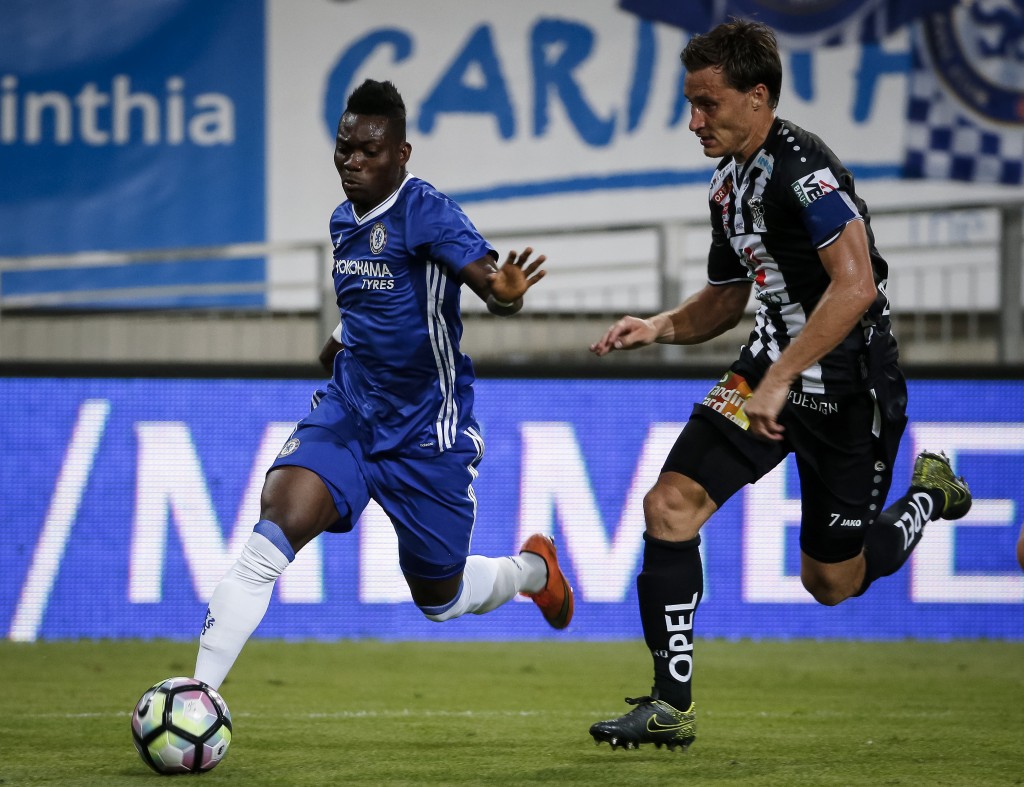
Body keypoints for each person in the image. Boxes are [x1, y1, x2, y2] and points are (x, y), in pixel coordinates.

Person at [586, 19, 971, 751]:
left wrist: (784, 377)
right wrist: (661, 325)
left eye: (707, 103)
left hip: (850, 385)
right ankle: (671, 705)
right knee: (669, 506)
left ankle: (929, 492)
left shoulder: (804, 170)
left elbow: (855, 286)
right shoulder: (728, 183)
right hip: (767, 369)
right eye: (690, 104)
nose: (693, 120)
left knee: (830, 582)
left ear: (757, 97)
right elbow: (727, 298)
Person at [193, 78, 573, 692]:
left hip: (427, 434)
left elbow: (484, 280)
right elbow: (370, 308)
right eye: (345, 148)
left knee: (440, 599)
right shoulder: (345, 220)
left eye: (370, 150)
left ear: (402, 153)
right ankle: (199, 694)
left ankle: (532, 570)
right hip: (351, 415)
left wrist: (502, 295)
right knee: (271, 534)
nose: (353, 161)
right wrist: (340, 355)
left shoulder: (426, 211)